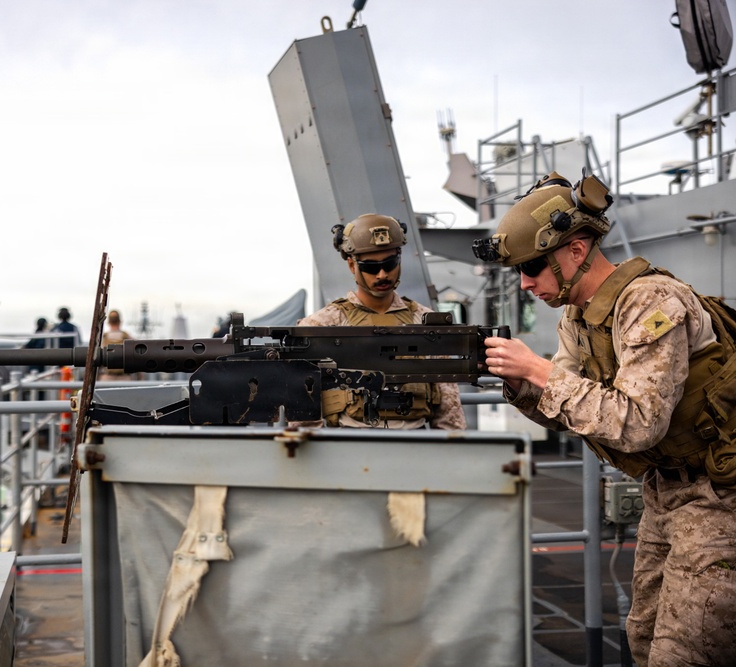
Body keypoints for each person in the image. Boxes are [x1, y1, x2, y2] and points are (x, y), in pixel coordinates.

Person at [474, 171, 736, 666]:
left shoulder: (651, 300)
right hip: (666, 492)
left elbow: (638, 423)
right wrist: (520, 382)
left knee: (686, 652)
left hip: (719, 498)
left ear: (576, 250)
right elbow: (569, 412)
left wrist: (538, 370)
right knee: (643, 637)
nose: (525, 283)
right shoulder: (578, 317)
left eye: (532, 267)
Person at [297, 213, 466, 430]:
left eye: (390, 263)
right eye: (370, 267)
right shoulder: (323, 324)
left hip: (415, 441)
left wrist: (449, 445)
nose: (382, 274)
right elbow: (304, 409)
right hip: (347, 442)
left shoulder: (425, 322)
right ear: (352, 266)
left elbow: (448, 409)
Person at [99, 309, 134, 381]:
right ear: (120, 321)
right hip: (124, 378)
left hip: (107, 378)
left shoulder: (103, 338)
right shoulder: (127, 337)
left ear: (109, 322)